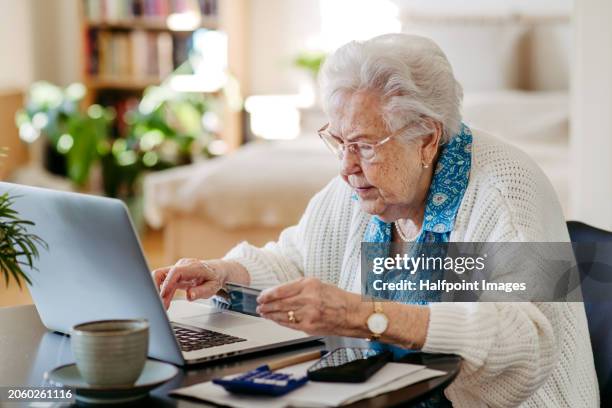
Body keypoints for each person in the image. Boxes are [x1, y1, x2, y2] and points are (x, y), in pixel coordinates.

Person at [153, 34, 598, 407]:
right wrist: (223, 274)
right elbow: (298, 259)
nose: (346, 166)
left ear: (426, 138)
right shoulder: (360, 189)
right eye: (337, 140)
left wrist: (365, 315)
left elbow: (525, 339)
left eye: (365, 145)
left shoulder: (504, 191)